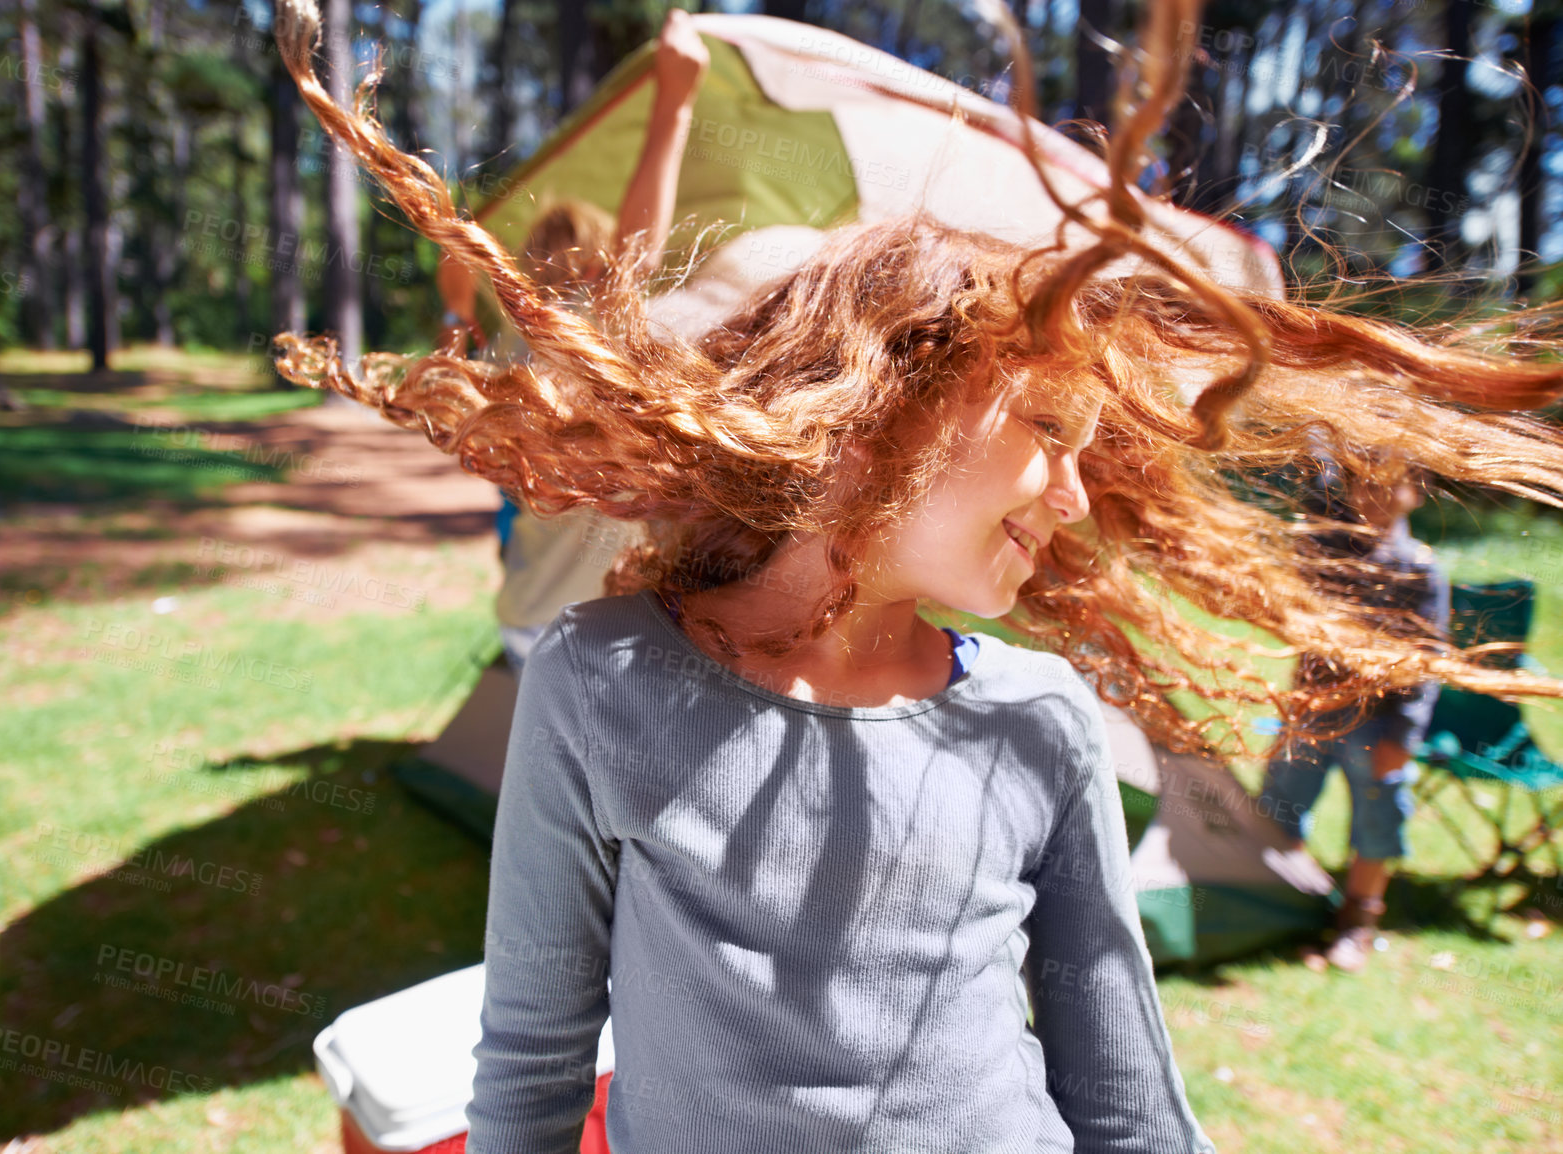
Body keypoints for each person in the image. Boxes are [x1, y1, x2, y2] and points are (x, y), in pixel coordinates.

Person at [272, 0, 1563, 1149]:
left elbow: (1123, 1092)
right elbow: (537, 1058)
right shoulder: (604, 684)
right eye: (1050, 433)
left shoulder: (1038, 718)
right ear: (878, 410)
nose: (1071, 498)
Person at [435, 9, 709, 673]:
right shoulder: (574, 343)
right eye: (583, 267)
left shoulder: (510, 356)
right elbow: (637, 259)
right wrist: (674, 104)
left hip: (531, 619)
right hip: (583, 634)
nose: (580, 282)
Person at [1258, 450, 1450, 972]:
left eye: (1389, 488)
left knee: (1377, 814)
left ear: (1412, 492)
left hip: (1380, 722)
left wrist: (1402, 738)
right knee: (1278, 802)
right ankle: (1287, 903)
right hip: (1316, 709)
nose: (1375, 499)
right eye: (1364, 486)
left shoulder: (1419, 568)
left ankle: (1357, 924)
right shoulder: (1323, 544)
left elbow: (1425, 662)